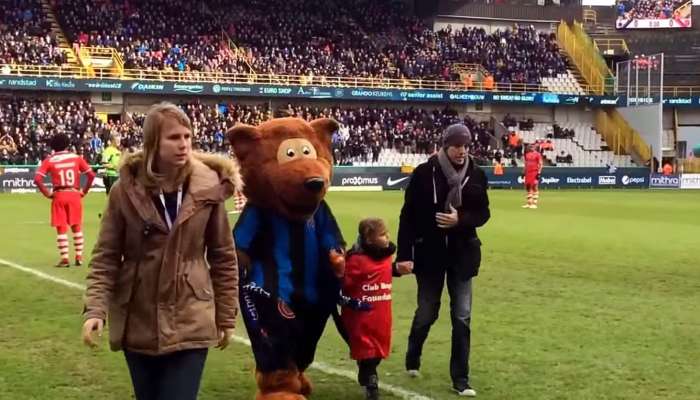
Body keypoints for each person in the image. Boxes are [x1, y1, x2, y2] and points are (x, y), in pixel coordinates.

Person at [81, 102, 240, 400]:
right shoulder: (123, 191)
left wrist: (227, 315)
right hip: (138, 317)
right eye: (174, 138)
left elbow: (223, 256)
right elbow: (106, 256)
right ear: (153, 142)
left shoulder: (209, 188)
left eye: (187, 136)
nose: (184, 145)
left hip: (191, 315)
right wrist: (95, 309)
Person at [397, 123, 490, 397]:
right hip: (430, 255)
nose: (462, 151)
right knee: (427, 313)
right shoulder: (424, 173)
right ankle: (413, 354)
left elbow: (483, 213)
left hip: (463, 256)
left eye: (466, 145)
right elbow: (407, 217)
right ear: (445, 146)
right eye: (457, 146)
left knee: (462, 316)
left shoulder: (477, 174)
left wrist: (460, 219)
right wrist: (405, 255)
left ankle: (461, 378)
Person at [341, 218, 409, 400]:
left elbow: (382, 269)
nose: (387, 237)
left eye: (387, 233)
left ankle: (366, 371)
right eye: (382, 235)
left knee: (378, 349)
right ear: (369, 240)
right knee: (367, 348)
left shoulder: (386, 256)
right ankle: (371, 380)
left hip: (382, 313)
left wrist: (397, 269)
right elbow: (344, 284)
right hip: (361, 315)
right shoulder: (355, 260)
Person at [34, 133, 95, 267]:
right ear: (68, 144)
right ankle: (79, 257)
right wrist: (83, 192)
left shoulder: (50, 160)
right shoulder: (76, 158)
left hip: (59, 195)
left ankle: (65, 259)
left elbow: (37, 179)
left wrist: (47, 193)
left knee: (61, 227)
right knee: (76, 226)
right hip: (74, 194)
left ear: (53, 146)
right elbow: (91, 175)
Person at [522, 144, 543, 209]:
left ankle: (534, 203)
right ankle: (529, 203)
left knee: (534, 186)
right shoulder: (527, 154)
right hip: (528, 172)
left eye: (532, 147)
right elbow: (525, 164)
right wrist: (523, 172)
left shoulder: (538, 154)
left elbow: (540, 164)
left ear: (534, 148)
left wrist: (539, 173)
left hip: (534, 172)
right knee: (528, 187)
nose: (531, 148)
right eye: (530, 147)